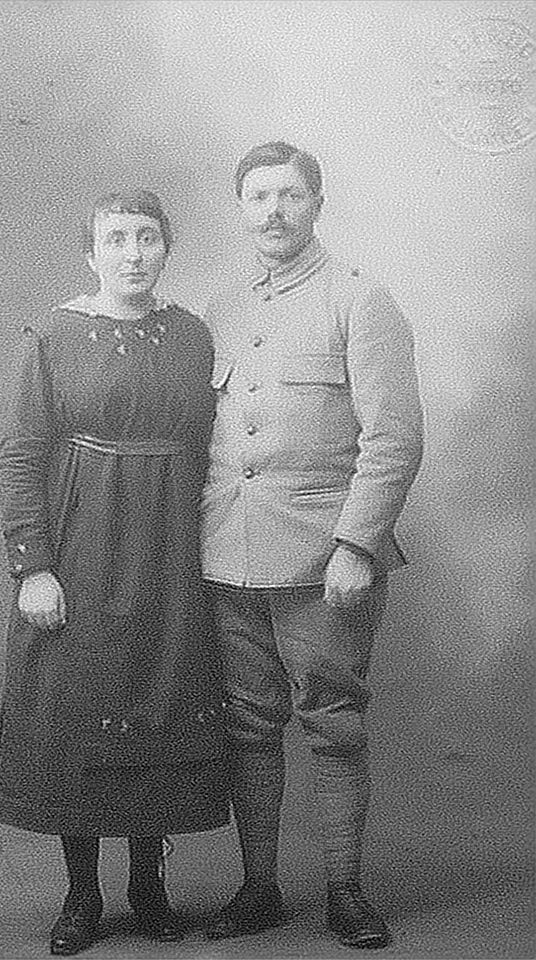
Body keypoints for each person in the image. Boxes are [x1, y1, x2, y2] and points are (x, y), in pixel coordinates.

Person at [0, 189, 229, 956]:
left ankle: (148, 886)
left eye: (147, 238)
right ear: (91, 254)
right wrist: (33, 567)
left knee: (158, 697)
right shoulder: (53, 335)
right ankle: (82, 894)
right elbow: (21, 454)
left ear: (166, 248)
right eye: (116, 240)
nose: (133, 254)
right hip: (82, 541)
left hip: (170, 548)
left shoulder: (191, 335)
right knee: (80, 708)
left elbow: (212, 445)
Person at [201, 141, 424, 949]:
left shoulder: (360, 300)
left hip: (322, 561)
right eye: (258, 197)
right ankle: (258, 887)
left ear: (317, 205)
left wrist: (357, 546)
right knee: (247, 726)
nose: (273, 212)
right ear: (241, 209)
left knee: (332, 724)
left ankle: (345, 890)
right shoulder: (223, 309)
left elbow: (394, 439)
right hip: (227, 556)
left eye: (289, 195)